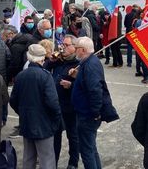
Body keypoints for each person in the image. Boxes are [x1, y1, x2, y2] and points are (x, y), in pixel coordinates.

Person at [10, 44, 62, 169]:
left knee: (28, 158)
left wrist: (23, 112)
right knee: (47, 159)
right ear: (42, 59)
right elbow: (53, 103)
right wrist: (55, 119)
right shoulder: (45, 76)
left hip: (27, 122)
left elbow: (13, 100)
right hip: (44, 123)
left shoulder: (21, 76)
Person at [71, 37, 119, 169]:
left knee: (86, 151)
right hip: (86, 112)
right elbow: (87, 86)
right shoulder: (88, 62)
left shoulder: (90, 65)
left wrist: (95, 112)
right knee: (90, 147)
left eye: (76, 49)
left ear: (83, 50)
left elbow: (95, 91)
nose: (75, 51)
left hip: (87, 114)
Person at [45, 35, 81, 169]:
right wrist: (50, 61)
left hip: (71, 106)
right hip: (56, 105)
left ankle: (73, 163)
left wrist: (72, 84)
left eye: (66, 45)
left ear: (74, 47)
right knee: (55, 136)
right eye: (62, 45)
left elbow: (84, 87)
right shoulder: (60, 60)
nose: (63, 48)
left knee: (73, 135)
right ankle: (53, 162)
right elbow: (45, 70)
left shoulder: (78, 63)